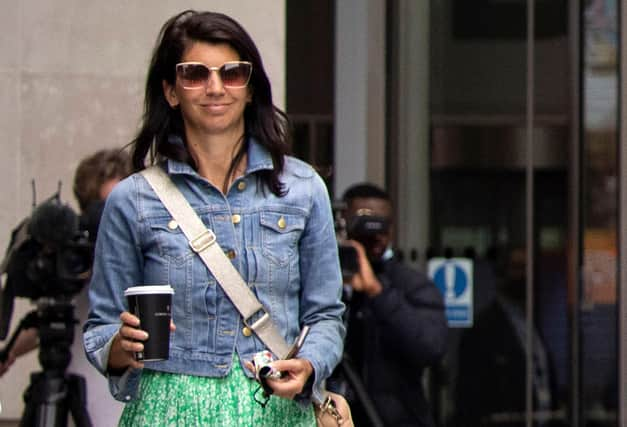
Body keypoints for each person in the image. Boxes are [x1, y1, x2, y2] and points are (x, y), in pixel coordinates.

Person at [82, 10, 345, 426]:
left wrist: (310, 365)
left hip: (271, 406)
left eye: (232, 73)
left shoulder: (303, 188)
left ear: (251, 88)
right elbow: (100, 326)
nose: (215, 87)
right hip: (167, 409)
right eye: (195, 74)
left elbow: (325, 315)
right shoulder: (133, 199)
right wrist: (118, 348)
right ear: (171, 91)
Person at [0, 148, 131, 422]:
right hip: (79, 402)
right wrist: (9, 353)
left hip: (126, 404)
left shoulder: (147, 260)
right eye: (103, 209)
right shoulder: (71, 263)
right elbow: (47, 324)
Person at [332, 182, 448, 427]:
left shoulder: (411, 284)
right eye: (363, 224)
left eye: (382, 225)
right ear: (343, 226)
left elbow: (431, 347)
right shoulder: (323, 282)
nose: (374, 235)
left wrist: (378, 292)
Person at [453, 248, 565, 427]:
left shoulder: (532, 326)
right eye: (518, 268)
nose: (525, 276)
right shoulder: (483, 330)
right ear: (502, 274)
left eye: (529, 269)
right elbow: (469, 400)